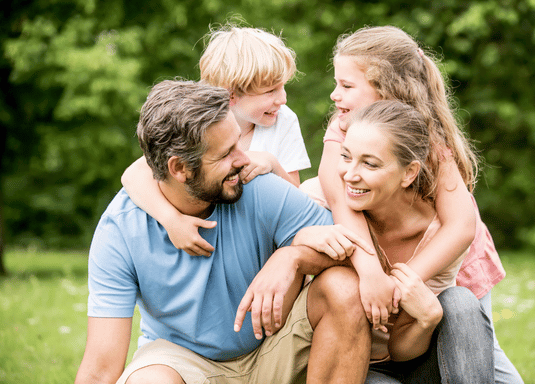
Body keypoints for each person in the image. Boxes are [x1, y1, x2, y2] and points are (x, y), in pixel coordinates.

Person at [74, 79, 374, 384]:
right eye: (225, 153)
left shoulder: (256, 185)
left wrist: (292, 257)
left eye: (238, 143)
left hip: (273, 350)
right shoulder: (121, 230)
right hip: (184, 362)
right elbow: (100, 370)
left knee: (343, 287)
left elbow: (356, 251)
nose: (244, 159)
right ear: (179, 169)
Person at [299, 26, 522, 383]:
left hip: (449, 258)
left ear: (385, 88)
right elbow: (341, 201)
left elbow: (461, 226)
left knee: (484, 359)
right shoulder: (344, 129)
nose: (335, 94)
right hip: (386, 251)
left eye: (347, 85)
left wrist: (403, 284)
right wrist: (373, 274)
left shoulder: (428, 136)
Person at [296, 100, 495, 383]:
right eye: (345, 156)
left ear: (409, 173)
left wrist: (426, 321)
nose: (349, 175)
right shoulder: (320, 200)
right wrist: (302, 237)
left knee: (461, 302)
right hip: (358, 365)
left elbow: (401, 350)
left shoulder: (440, 234)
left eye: (369, 163)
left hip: (418, 358)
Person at [120, 25, 310, 256]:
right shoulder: (198, 121)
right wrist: (172, 221)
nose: (282, 98)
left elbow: (298, 203)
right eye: (271, 91)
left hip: (260, 247)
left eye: (283, 86)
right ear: (231, 95)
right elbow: (133, 175)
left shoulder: (283, 120)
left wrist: (273, 164)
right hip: (209, 240)